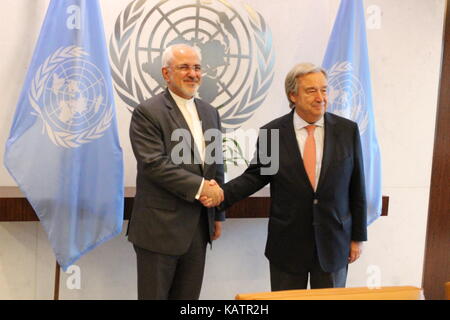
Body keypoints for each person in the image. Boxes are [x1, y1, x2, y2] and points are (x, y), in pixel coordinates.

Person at [202, 62, 367, 290]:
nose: (321, 97)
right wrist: (220, 194)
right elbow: (255, 177)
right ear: (293, 95)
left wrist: (357, 237)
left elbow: (357, 185)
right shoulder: (273, 133)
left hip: (334, 243)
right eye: (312, 91)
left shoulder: (347, 131)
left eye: (324, 89)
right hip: (288, 246)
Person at [128, 44, 225, 300]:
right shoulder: (147, 112)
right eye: (184, 67)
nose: (192, 74)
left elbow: (217, 163)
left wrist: (218, 215)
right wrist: (201, 187)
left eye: (196, 67)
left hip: (199, 228)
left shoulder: (210, 112)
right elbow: (154, 163)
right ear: (166, 73)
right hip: (159, 230)